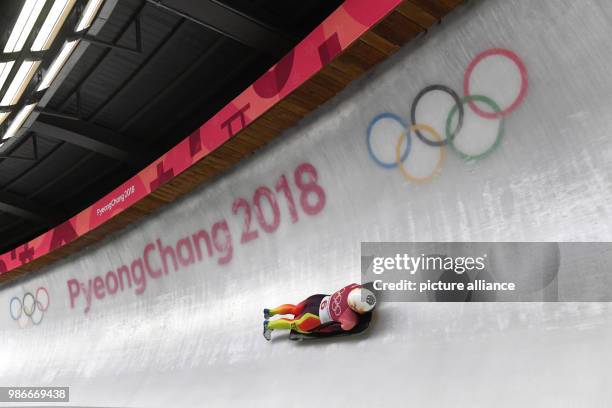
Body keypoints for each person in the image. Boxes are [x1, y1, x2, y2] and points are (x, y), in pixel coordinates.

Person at [263, 283, 376, 341]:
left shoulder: (353, 286)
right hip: (313, 318)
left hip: (315, 300)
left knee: (295, 308)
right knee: (294, 325)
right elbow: (345, 328)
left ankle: (271, 312)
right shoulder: (350, 318)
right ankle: (269, 325)